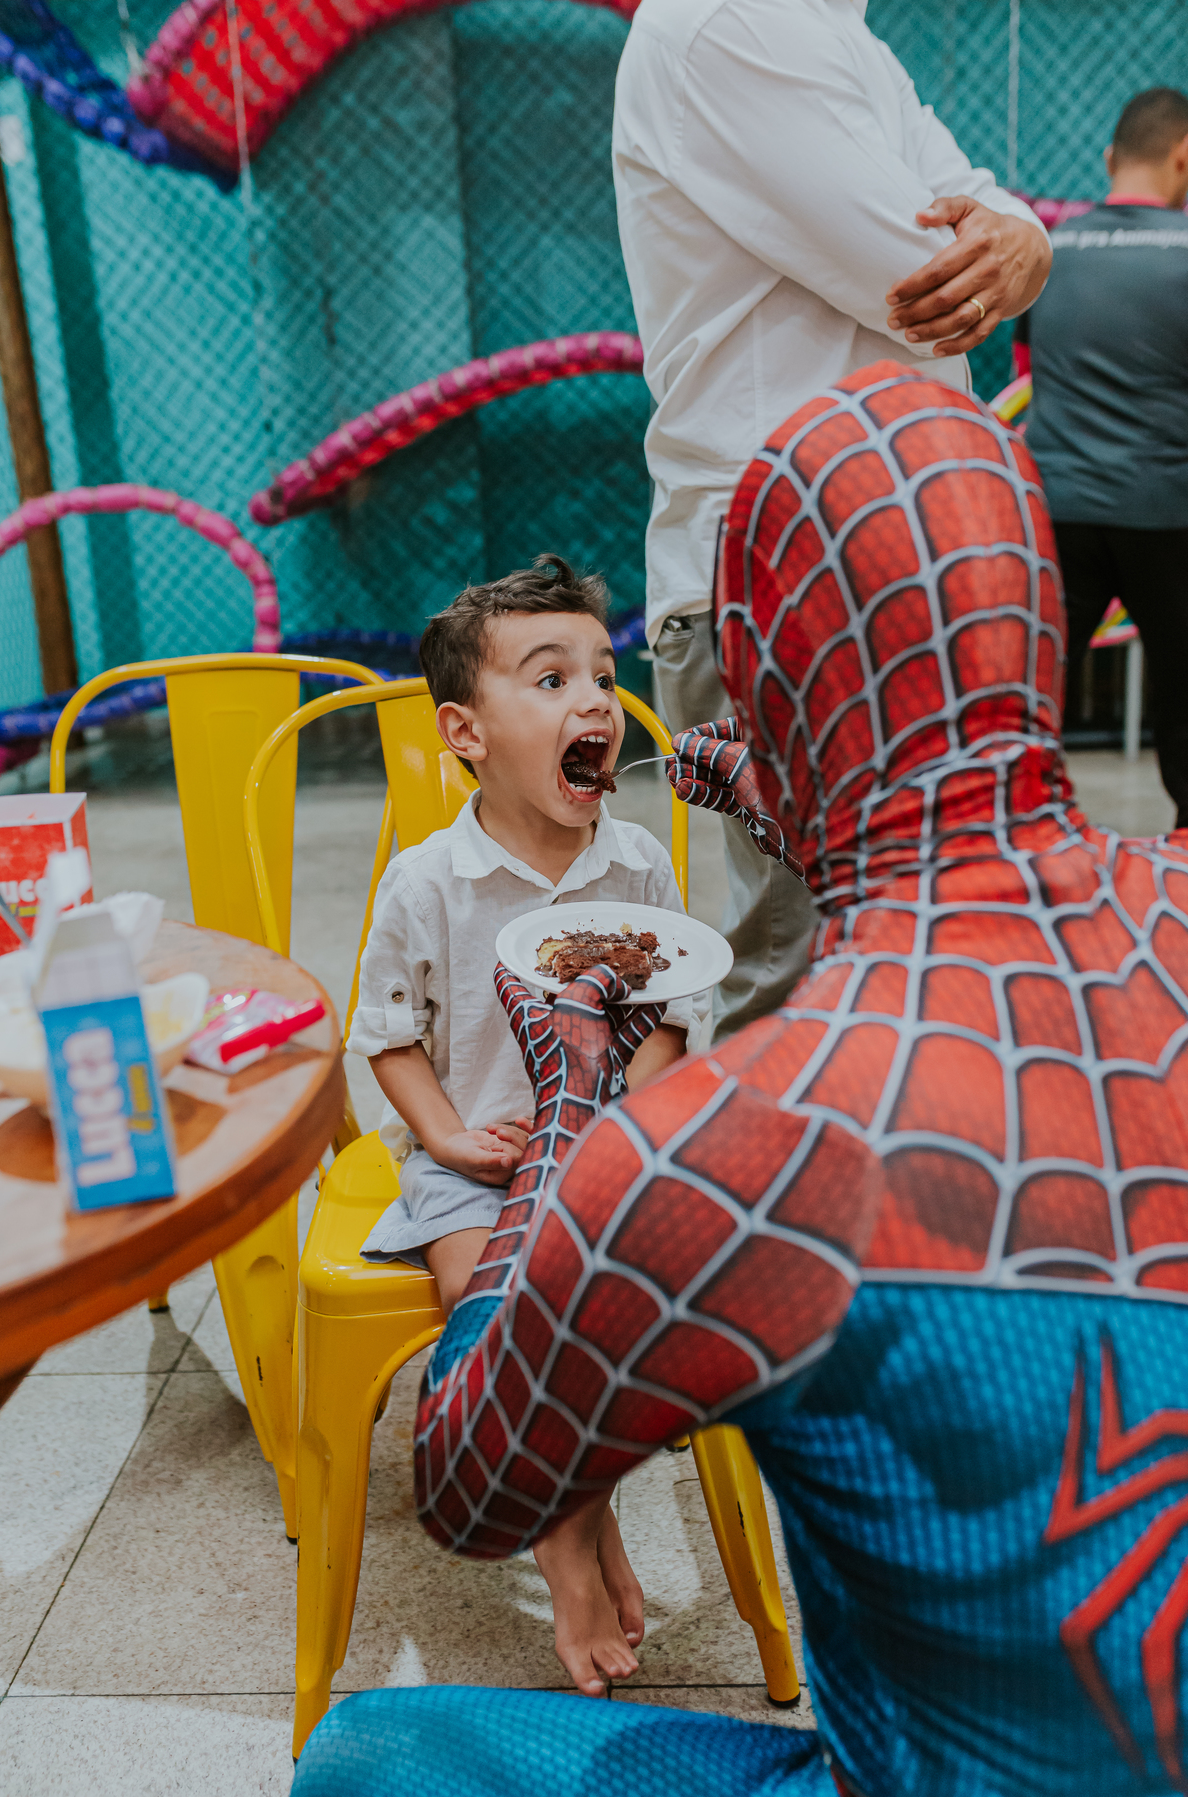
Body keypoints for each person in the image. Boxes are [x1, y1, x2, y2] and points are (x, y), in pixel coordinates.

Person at [295, 361, 1188, 1797]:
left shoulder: (738, 1139)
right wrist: (796, 787)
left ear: (762, 682)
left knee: (372, 1754)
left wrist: (574, 1098)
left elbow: (466, 1483)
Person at [612, 0, 1051, 1042]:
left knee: (911, 966)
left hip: (880, 559)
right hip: (790, 572)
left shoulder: (841, 33)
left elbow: (997, 219)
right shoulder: (730, 20)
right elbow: (919, 274)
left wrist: (1027, 244)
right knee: (811, 991)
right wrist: (1006, 251)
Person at [347, 553, 704, 1699]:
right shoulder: (428, 883)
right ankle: (573, 1546)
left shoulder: (636, 865)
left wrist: (631, 1132)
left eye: (601, 675)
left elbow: (667, 1021)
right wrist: (448, 1139)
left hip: (604, 1158)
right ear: (466, 733)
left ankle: (574, 1513)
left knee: (599, 1306)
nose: (594, 700)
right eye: (550, 681)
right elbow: (387, 1037)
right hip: (475, 1160)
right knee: (492, 1295)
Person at [1017, 86, 1188, 826]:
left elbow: (1028, 374)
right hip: (1167, 515)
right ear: (1183, 157)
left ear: (1111, 157)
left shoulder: (1048, 251)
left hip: (1058, 511)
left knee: (1031, 698)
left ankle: (1011, 841)